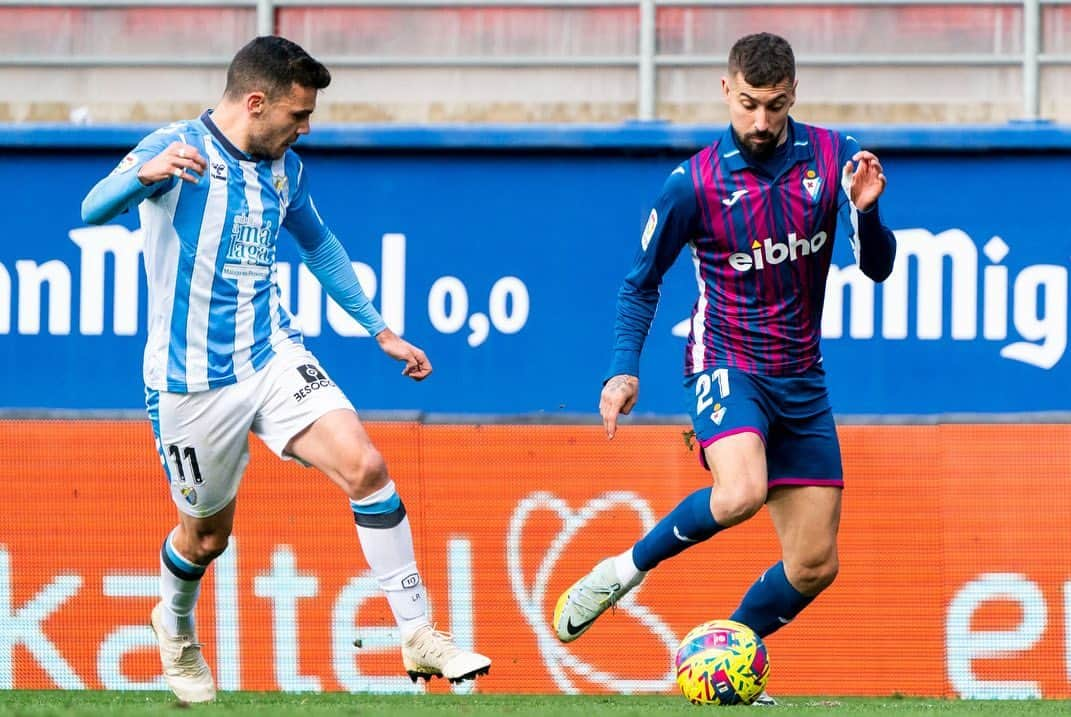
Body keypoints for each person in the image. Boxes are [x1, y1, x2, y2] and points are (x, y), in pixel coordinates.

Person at [81, 36, 491, 703]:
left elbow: (320, 244)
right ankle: (175, 626)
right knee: (207, 536)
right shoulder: (176, 147)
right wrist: (144, 175)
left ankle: (418, 632)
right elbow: (92, 207)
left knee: (366, 466)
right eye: (297, 116)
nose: (305, 128)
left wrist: (380, 330)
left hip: (273, 356)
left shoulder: (284, 169)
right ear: (255, 101)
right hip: (189, 381)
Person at [552, 32, 896, 703]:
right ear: (724, 91)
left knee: (813, 564)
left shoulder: (834, 160)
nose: (760, 121)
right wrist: (622, 370)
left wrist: (868, 210)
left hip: (801, 377)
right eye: (747, 104)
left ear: (792, 95)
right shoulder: (693, 184)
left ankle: (720, 658)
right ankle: (622, 570)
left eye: (773, 105)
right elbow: (638, 281)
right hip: (726, 360)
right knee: (738, 491)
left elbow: (877, 266)